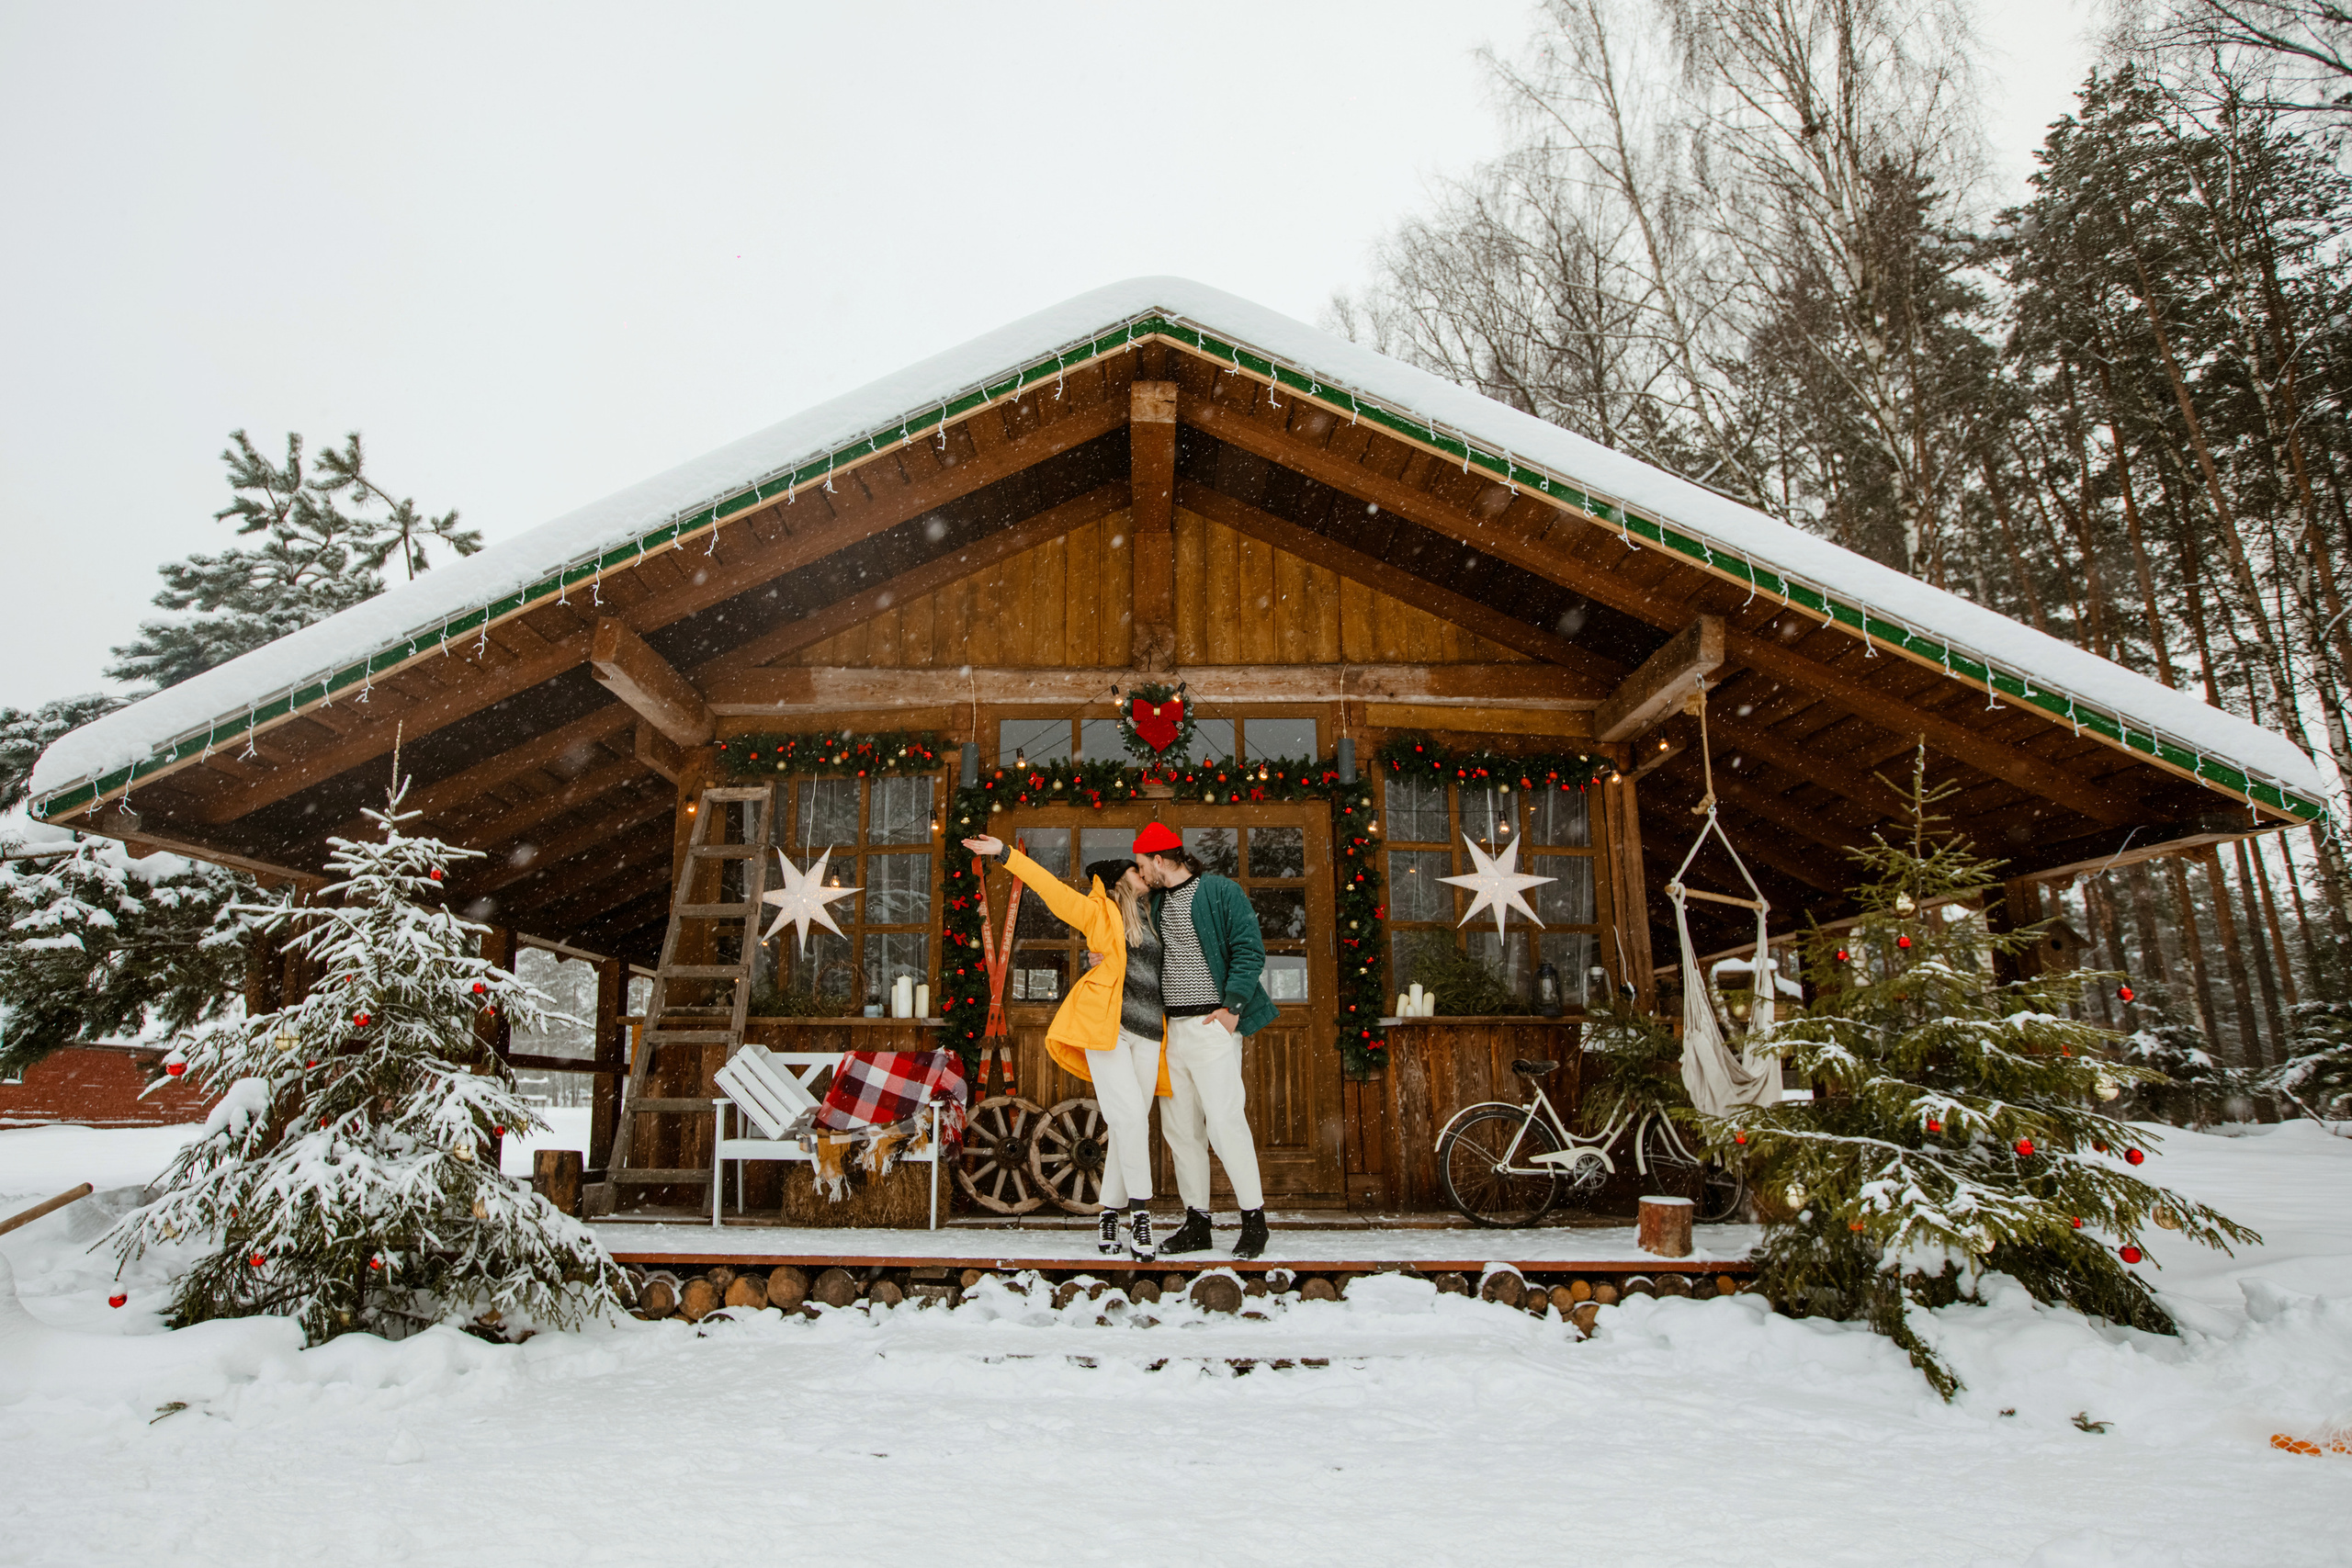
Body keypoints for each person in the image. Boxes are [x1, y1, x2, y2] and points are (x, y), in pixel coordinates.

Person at [960, 833, 1167, 1261]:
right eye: (1136, 868)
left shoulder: (1155, 914)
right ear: (1120, 880)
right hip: (1106, 1030)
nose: (1144, 872)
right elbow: (1050, 889)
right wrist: (1006, 854)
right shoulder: (1097, 911)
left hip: (1149, 1033)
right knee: (1131, 1121)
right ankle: (1141, 1218)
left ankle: (1108, 1214)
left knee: (1129, 1125)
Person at [1130, 820, 1277, 1259]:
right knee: (1181, 1131)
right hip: (1169, 1031)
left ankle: (1255, 1221)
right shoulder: (1154, 902)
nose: (1141, 874)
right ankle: (1198, 1223)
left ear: (1160, 860)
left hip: (1213, 1027)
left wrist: (1232, 1008)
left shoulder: (1220, 892)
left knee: (1226, 1122)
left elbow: (1250, 948)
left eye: (1142, 865)